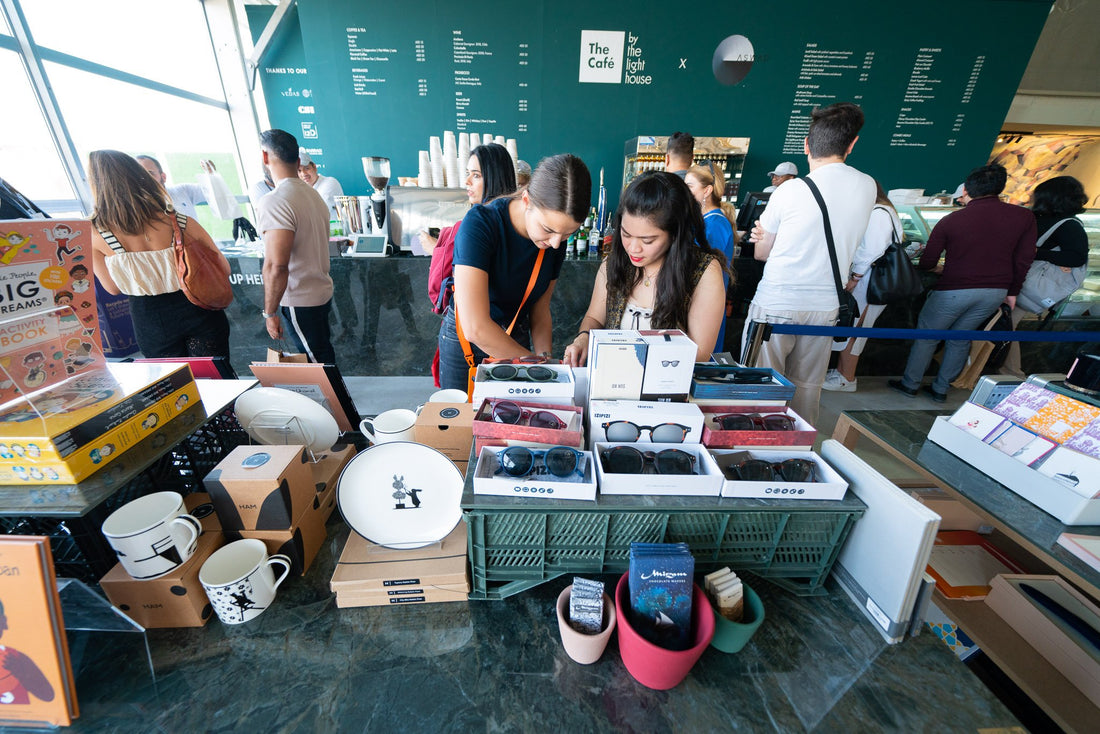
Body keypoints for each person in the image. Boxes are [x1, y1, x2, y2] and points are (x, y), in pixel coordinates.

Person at [743, 102, 876, 425]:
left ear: (806, 145)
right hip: (825, 307)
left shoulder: (789, 191)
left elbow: (761, 254)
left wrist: (763, 237)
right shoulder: (867, 186)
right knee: (806, 390)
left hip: (776, 303)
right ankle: (799, 456)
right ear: (852, 143)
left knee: (761, 386)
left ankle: (756, 447)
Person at [438, 154, 591, 391]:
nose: (556, 244)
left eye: (567, 234)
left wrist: (545, 359)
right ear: (527, 200)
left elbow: (540, 310)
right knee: (464, 423)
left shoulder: (553, 240)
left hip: (514, 337)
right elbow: (475, 327)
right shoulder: (481, 224)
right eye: (548, 229)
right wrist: (539, 366)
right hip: (466, 342)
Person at [890, 163, 1036, 402]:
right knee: (961, 338)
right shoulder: (1024, 217)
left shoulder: (952, 220)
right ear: (1000, 187)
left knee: (928, 336)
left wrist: (939, 268)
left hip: (953, 289)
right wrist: (1012, 291)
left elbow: (927, 262)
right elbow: (1024, 259)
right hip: (994, 292)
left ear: (967, 189)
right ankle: (940, 389)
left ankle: (910, 384)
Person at [563, 172, 727, 366]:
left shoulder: (703, 271)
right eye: (626, 234)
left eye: (647, 240)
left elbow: (699, 352)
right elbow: (594, 318)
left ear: (675, 234)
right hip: (613, 381)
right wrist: (584, 337)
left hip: (667, 385)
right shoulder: (616, 263)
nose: (633, 248)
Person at [88, 150, 231, 359]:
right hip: (199, 307)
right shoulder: (180, 221)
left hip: (149, 320)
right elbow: (224, 268)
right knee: (217, 380)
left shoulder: (94, 233)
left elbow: (113, 288)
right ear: (139, 177)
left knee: (175, 386)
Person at [426, 144, 518, 385]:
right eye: (468, 173)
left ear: (496, 177)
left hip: (501, 333)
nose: (467, 181)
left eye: (476, 175)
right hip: (463, 335)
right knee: (458, 411)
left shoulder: (489, 224)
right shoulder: (475, 223)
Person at [255, 129, 336, 364]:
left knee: (316, 363)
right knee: (321, 355)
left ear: (265, 157)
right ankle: (336, 400)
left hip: (300, 298)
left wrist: (269, 312)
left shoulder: (275, 201)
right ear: (298, 161)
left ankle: (338, 402)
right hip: (320, 291)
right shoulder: (312, 195)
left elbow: (275, 265)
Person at [1001, 175, 1090, 377]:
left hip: (1026, 287)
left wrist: (1035, 252)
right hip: (1015, 281)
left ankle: (1012, 374)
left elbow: (1076, 257)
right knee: (1003, 327)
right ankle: (1004, 371)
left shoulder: (1069, 225)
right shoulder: (1036, 217)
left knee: (1006, 328)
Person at [823, 181, 904, 392]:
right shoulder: (885, 211)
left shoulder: (878, 213)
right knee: (854, 329)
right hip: (871, 281)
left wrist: (855, 276)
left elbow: (871, 250)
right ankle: (841, 372)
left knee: (856, 329)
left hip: (869, 282)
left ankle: (846, 378)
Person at [685, 162, 737, 354]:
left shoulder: (715, 224)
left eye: (690, 186)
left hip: (704, 310)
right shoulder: (705, 221)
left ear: (706, 190)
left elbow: (699, 268)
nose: (685, 191)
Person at [0, 597, 55, 705]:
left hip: (22, 719)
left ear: (4, 622)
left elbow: (48, 695)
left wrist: (21, 673)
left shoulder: (15, 657)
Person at [137, 155, 218, 220]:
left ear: (163, 177)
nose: (144, 179)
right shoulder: (134, 208)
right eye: (138, 176)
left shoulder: (182, 190)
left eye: (150, 174)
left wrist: (210, 173)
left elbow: (211, 191)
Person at [297, 149, 345, 215]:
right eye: (299, 171)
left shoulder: (330, 182)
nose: (304, 174)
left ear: (314, 167)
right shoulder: (301, 190)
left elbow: (317, 214)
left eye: (307, 168)